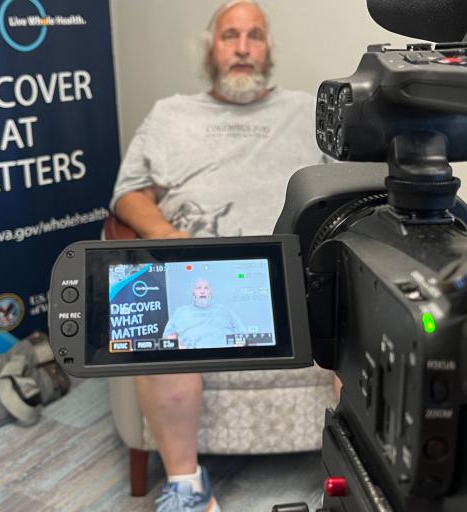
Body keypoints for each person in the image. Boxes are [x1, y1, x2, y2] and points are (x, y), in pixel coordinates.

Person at [109, 1, 332, 510]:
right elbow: (128, 194)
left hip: (290, 274)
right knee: (156, 325)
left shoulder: (306, 111)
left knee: (363, 308)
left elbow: (348, 186)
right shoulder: (170, 114)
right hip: (196, 272)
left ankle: (356, 471)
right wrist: (164, 233)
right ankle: (187, 486)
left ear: (268, 49)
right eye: (231, 35)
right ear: (210, 48)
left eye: (255, 36)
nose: (243, 48)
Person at [163, 278, 247, 349]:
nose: (202, 291)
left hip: (224, 357)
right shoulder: (180, 312)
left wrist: (236, 348)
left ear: (211, 292)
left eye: (206, 288)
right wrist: (180, 348)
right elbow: (166, 339)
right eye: (198, 288)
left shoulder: (225, 310)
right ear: (193, 292)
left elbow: (244, 335)